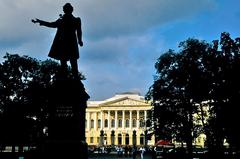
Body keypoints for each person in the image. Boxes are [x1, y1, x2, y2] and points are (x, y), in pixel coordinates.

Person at [32, 3, 83, 78]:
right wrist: (41, 22)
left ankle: (75, 78)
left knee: (72, 61)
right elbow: (51, 24)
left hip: (70, 43)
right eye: (65, 9)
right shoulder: (62, 20)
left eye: (66, 9)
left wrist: (80, 40)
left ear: (70, 10)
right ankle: (66, 78)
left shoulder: (75, 20)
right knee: (65, 62)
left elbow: (79, 31)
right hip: (63, 43)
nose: (65, 11)